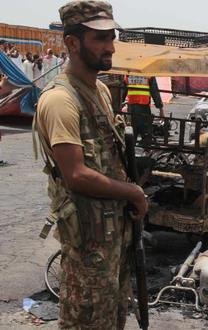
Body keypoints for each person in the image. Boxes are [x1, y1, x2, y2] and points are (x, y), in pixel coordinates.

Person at [34, 1, 147, 329]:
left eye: (111, 37)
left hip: (113, 234)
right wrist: (134, 192)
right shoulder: (60, 101)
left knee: (112, 316)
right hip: (87, 241)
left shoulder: (99, 89)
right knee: (85, 320)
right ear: (72, 43)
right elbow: (77, 175)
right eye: (99, 38)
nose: (110, 46)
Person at [122, 75, 164, 142]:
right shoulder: (148, 73)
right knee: (146, 131)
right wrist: (160, 108)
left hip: (132, 106)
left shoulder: (128, 73)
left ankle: (131, 149)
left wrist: (119, 105)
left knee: (132, 131)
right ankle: (147, 149)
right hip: (143, 106)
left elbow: (122, 91)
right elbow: (154, 91)